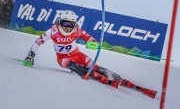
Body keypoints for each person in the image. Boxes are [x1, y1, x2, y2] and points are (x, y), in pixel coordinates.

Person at [23, 10, 156, 98]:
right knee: (72, 65)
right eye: (66, 24)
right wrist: (31, 55)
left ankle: (115, 77)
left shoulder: (77, 30)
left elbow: (91, 39)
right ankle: (98, 77)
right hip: (62, 58)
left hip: (77, 53)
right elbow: (38, 42)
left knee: (94, 65)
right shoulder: (53, 31)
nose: (68, 27)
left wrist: (94, 43)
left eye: (71, 24)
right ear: (60, 22)